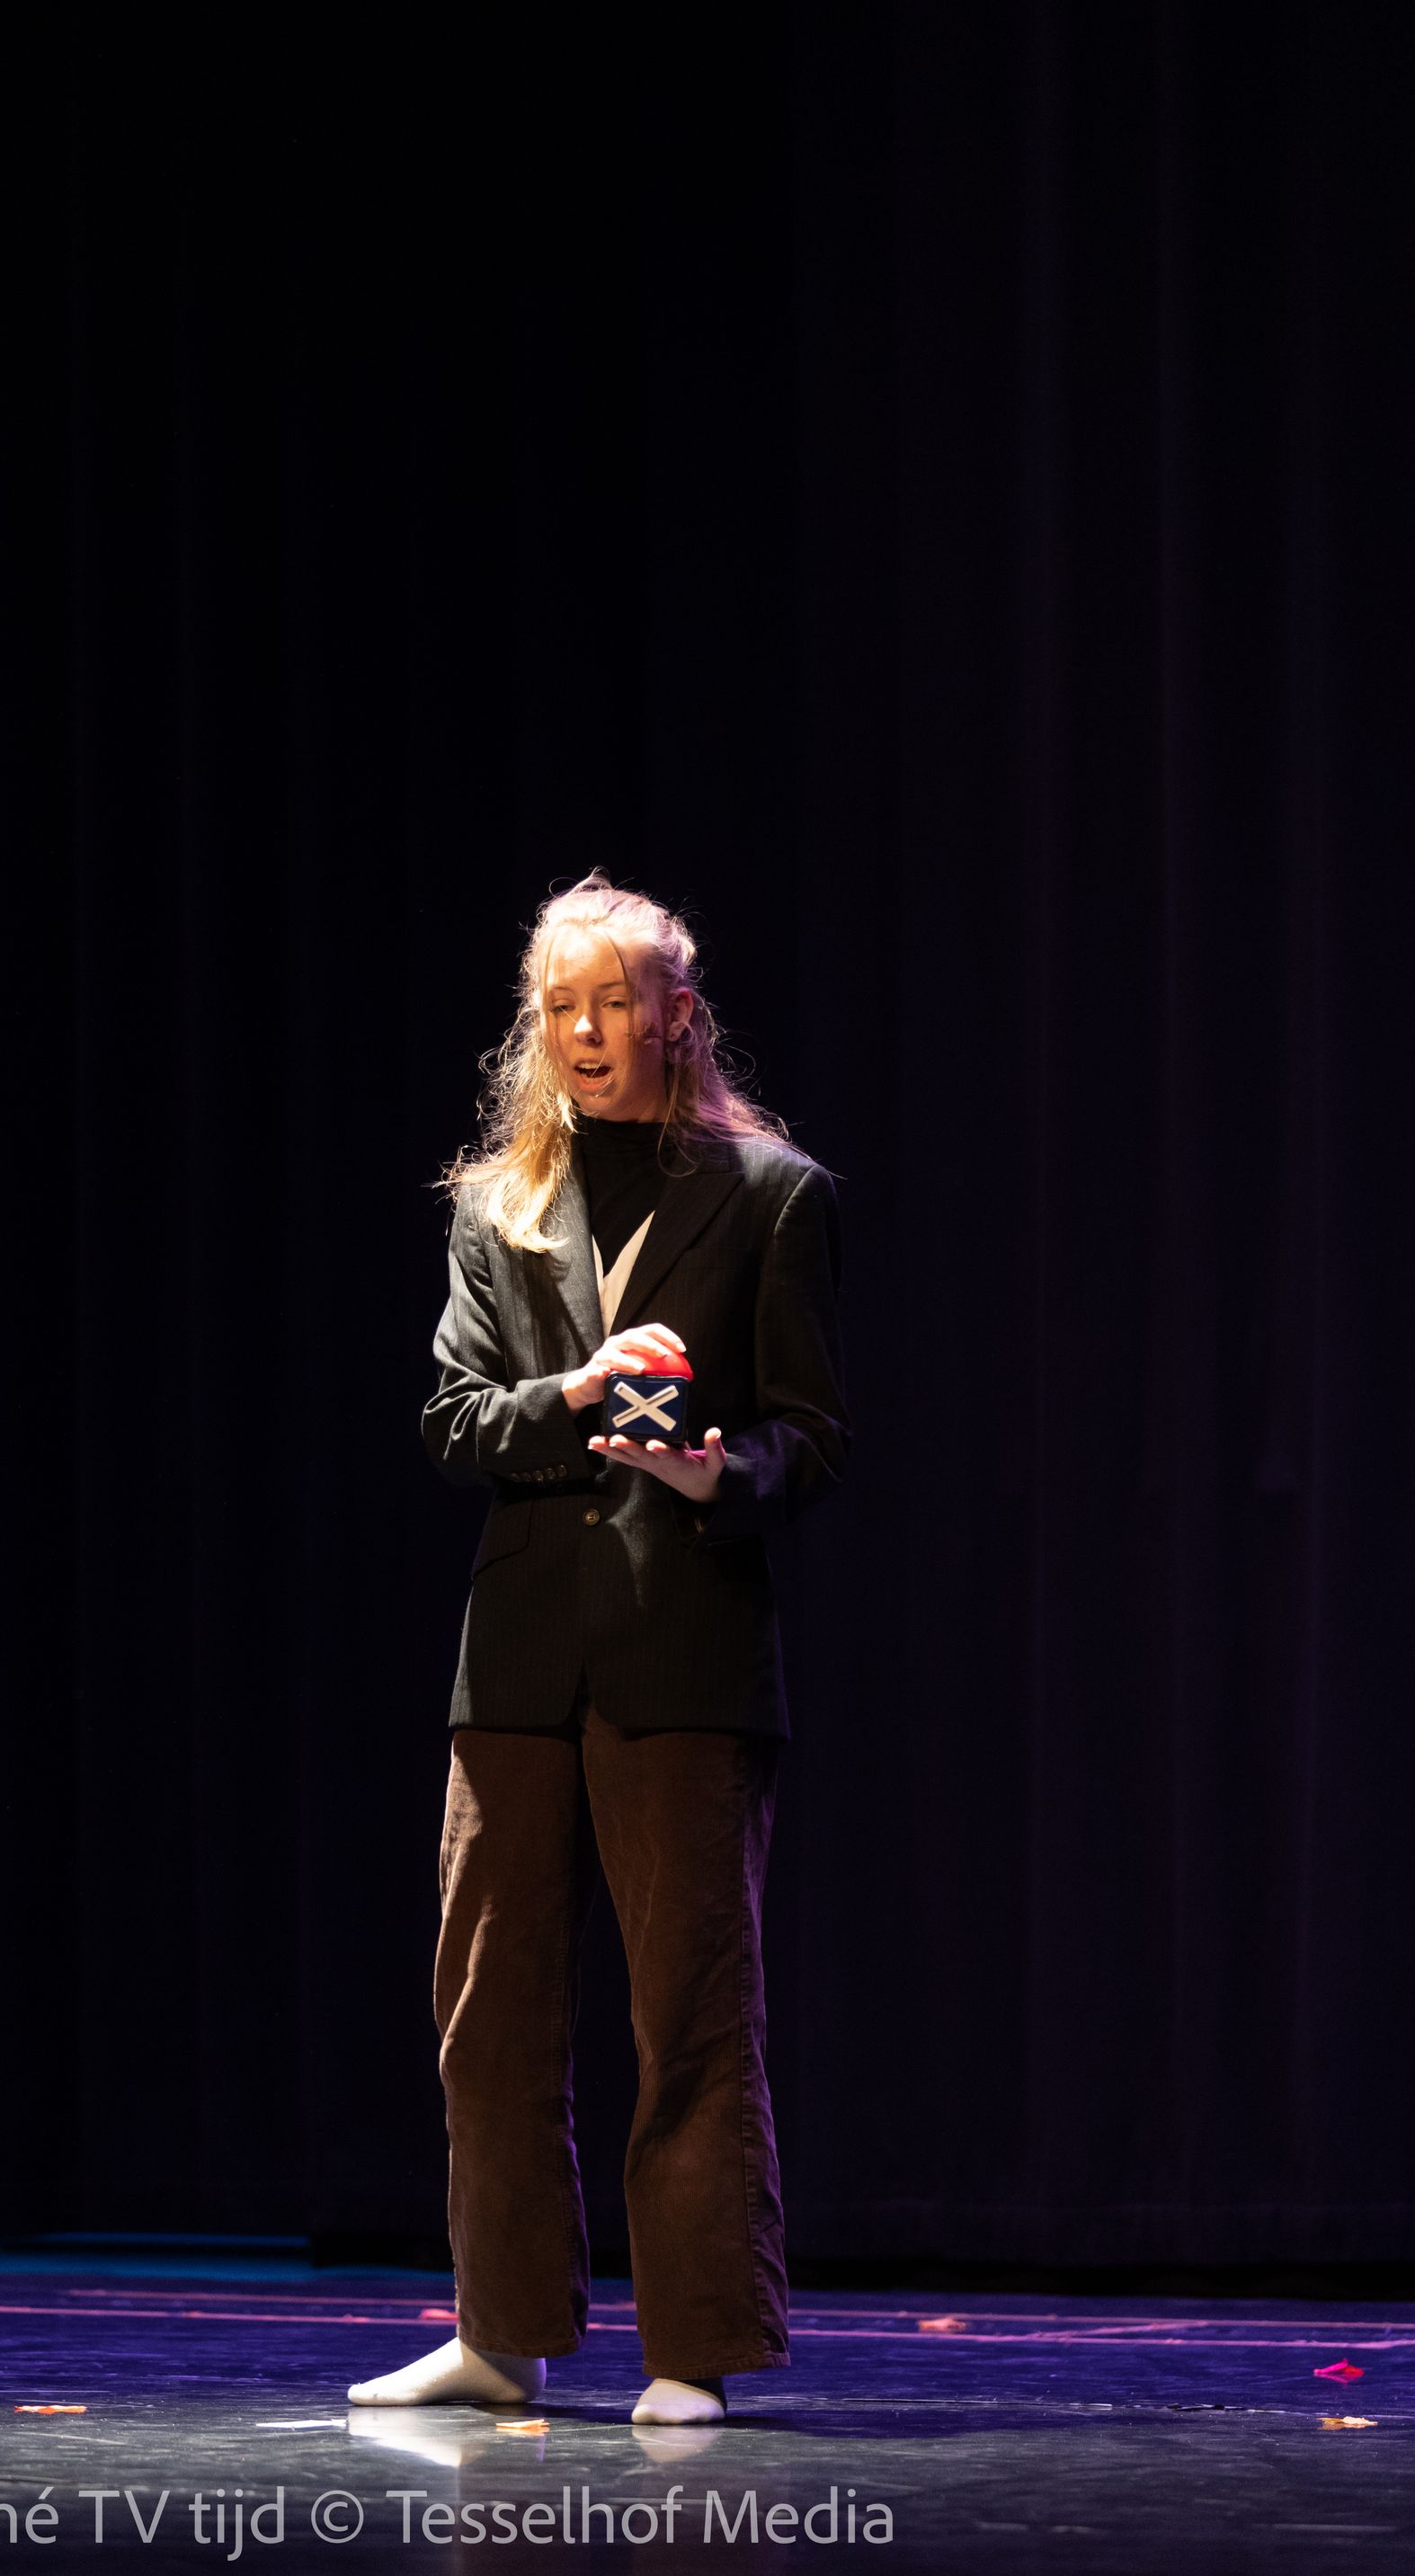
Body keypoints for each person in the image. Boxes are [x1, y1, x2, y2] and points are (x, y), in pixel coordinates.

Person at [347, 873, 849, 2425]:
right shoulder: (496, 1205)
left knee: (689, 2010)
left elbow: (811, 1438)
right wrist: (571, 1398)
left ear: (675, 1015)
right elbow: (451, 1421)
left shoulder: (769, 1197)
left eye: (613, 1001)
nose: (584, 1030)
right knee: (488, 2011)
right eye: (559, 1005)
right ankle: (502, 2333)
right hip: (518, 1659)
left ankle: (693, 2349)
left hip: (683, 1652)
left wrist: (712, 1474)